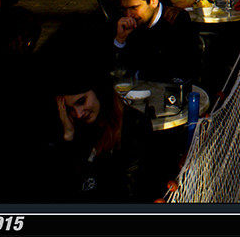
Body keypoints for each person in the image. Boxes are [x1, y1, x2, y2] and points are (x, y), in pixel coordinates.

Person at [46, 63, 163, 203]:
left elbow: (133, 189)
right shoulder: (75, 128)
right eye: (70, 109)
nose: (78, 113)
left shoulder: (132, 124)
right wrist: (68, 137)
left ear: (99, 91)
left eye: (82, 101)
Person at [112, 0, 201, 83]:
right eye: (125, 9)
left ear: (154, 1)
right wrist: (120, 40)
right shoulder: (125, 23)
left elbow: (179, 69)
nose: (129, 14)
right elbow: (115, 68)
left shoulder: (176, 21)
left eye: (134, 8)